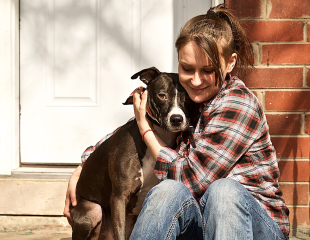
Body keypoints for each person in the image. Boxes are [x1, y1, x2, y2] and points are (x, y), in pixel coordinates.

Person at [64, 4, 290, 240]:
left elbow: (191, 180)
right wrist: (82, 169)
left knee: (223, 191)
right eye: (187, 68)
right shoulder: (188, 100)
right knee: (168, 190)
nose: (195, 80)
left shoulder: (237, 104)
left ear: (230, 63)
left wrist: (145, 129)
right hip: (204, 222)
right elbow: (119, 139)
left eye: (208, 70)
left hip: (257, 228)